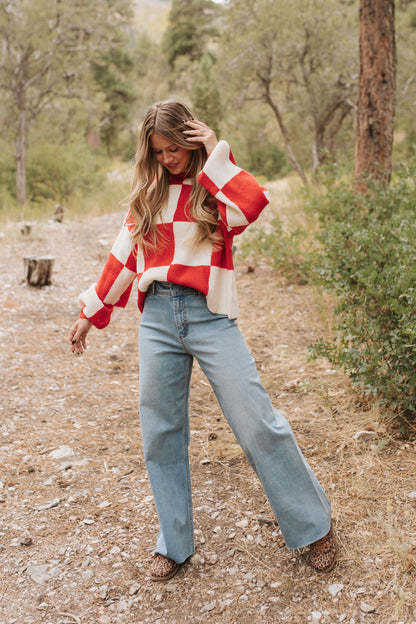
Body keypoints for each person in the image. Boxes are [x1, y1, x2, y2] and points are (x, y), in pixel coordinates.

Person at [67, 100, 337, 582]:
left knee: (257, 422)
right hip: (158, 320)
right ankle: (174, 543)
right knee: (161, 432)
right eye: (159, 151)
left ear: (191, 141)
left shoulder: (213, 186)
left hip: (209, 315)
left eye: (175, 148)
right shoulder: (147, 193)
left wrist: (215, 153)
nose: (168, 158)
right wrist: (91, 312)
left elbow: (252, 204)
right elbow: (125, 258)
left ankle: (314, 527)